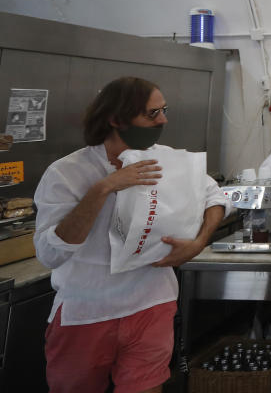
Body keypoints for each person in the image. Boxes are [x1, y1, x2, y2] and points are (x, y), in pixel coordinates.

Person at [34, 77, 228, 393]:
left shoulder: (164, 159)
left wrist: (198, 243)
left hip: (152, 303)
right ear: (116, 119)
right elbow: (49, 254)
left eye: (163, 110)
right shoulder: (66, 172)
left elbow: (215, 196)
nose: (163, 120)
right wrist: (103, 188)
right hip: (86, 313)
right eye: (152, 114)